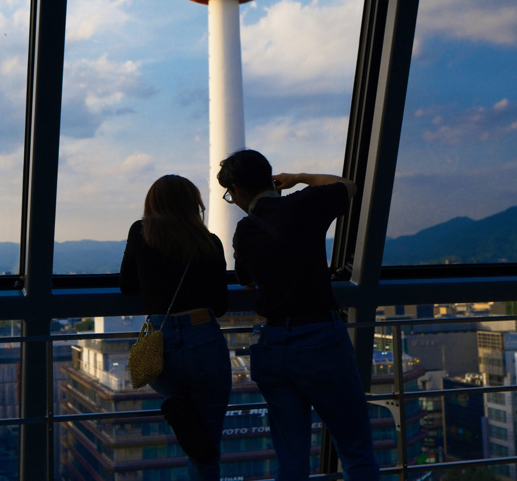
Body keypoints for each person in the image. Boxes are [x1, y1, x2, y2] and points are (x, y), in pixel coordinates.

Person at [217, 149, 379, 481]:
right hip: (321, 339)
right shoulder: (304, 204)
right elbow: (347, 185)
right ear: (271, 179)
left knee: (290, 463)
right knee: (356, 453)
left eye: (230, 195)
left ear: (237, 189)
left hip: (273, 346)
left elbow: (247, 280)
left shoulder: (245, 231)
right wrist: (300, 178)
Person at [120, 174, 232, 481]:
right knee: (207, 449)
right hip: (204, 341)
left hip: (162, 345)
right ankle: (188, 417)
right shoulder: (209, 242)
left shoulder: (140, 232)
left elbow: (126, 284)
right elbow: (220, 306)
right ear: (193, 204)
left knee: (191, 423)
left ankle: (181, 406)